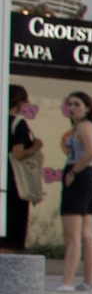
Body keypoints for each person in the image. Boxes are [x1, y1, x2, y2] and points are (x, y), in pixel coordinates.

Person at [57, 92, 92, 291]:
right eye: (69, 104)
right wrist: (91, 168)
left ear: (87, 108)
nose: (72, 108)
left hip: (78, 176)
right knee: (87, 233)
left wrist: (76, 171)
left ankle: (67, 282)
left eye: (77, 104)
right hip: (89, 178)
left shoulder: (84, 127)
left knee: (72, 236)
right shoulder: (91, 127)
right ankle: (87, 281)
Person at [4, 88, 37, 253]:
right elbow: (18, 154)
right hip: (13, 181)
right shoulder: (18, 123)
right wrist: (35, 147)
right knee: (11, 235)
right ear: (19, 103)